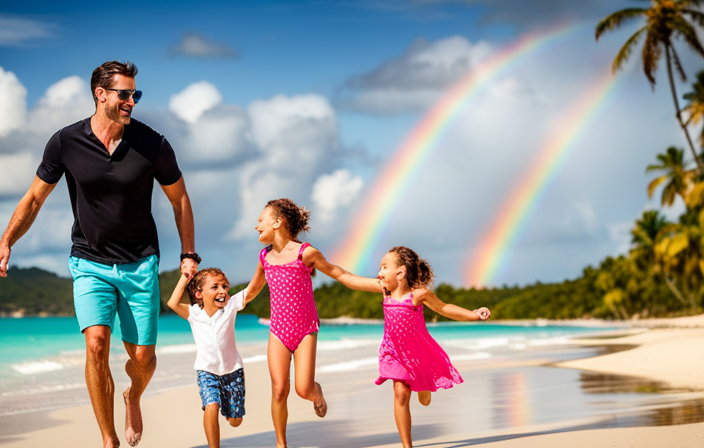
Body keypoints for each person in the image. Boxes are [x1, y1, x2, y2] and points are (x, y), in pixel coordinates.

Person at [0, 60, 198, 448]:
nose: (131, 102)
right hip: (89, 261)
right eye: (124, 94)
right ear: (100, 94)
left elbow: (180, 199)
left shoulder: (153, 144)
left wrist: (189, 252)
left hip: (140, 263)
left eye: (135, 95)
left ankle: (133, 395)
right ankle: (108, 440)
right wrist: (7, 240)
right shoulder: (65, 142)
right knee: (96, 345)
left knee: (142, 359)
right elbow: (35, 199)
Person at [243, 198, 377, 448]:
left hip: (305, 329)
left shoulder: (306, 253)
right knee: (279, 389)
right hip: (278, 330)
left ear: (277, 222)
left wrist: (381, 285)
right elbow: (251, 292)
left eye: (260, 220)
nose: (256, 226)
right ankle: (281, 444)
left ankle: (317, 393)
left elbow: (342, 275)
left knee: (303, 389)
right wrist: (222, 305)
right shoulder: (265, 257)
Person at [167, 268, 248, 448]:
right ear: (199, 294)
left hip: (233, 371)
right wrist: (185, 277)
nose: (223, 291)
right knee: (211, 405)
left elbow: (254, 288)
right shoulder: (194, 313)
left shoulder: (231, 306)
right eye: (215, 287)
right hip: (206, 371)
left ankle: (230, 410)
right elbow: (172, 303)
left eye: (225, 286)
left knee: (235, 421)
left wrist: (263, 266)